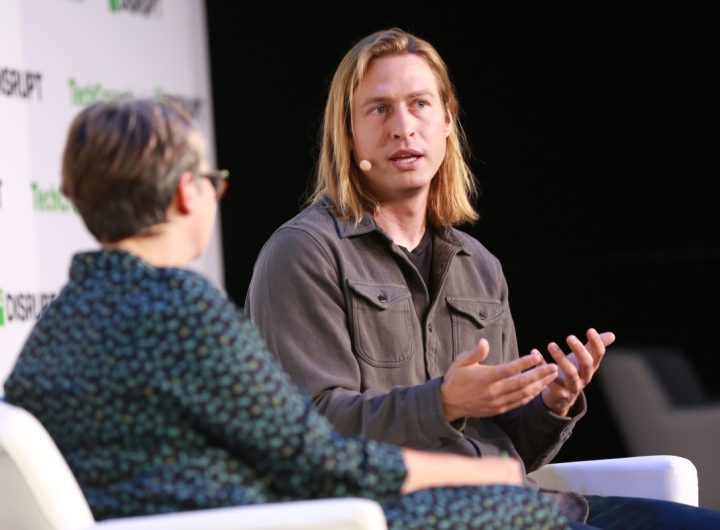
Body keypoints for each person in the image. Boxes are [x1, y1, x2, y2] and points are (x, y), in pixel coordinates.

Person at [2, 97, 570, 529]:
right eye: (213, 182)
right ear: (185, 194)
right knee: (520, 510)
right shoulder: (180, 309)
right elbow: (314, 461)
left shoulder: (58, 324)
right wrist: (479, 471)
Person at [244, 28, 720, 528]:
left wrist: (550, 405)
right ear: (348, 132)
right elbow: (308, 432)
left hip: (518, 506)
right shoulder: (304, 253)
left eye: (420, 104)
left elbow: (508, 451)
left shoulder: (478, 264)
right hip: (411, 512)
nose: (403, 128)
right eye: (379, 109)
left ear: (447, 120)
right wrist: (443, 402)